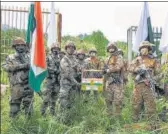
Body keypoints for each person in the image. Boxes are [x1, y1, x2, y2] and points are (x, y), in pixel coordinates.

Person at [128, 41, 161, 123]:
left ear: (149, 49)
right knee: (136, 106)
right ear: (140, 49)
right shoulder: (137, 59)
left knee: (150, 107)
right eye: (142, 48)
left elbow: (159, 74)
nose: (144, 49)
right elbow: (129, 68)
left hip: (149, 86)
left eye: (146, 47)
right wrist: (137, 70)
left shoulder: (154, 60)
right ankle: (134, 124)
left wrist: (152, 80)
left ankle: (151, 124)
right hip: (138, 86)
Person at [2, 37, 33, 118]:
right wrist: (21, 66)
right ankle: (14, 124)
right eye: (18, 45)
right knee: (14, 107)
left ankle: (28, 123)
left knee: (29, 106)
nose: (21, 47)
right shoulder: (10, 57)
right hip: (17, 86)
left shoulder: (29, 57)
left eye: (22, 45)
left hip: (28, 85)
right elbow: (6, 67)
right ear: (15, 46)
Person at [59, 41, 80, 123]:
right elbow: (67, 74)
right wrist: (76, 82)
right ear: (66, 49)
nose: (71, 49)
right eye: (69, 47)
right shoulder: (64, 59)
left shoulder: (75, 59)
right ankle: (62, 121)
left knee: (71, 103)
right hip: (66, 85)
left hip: (73, 86)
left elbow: (78, 71)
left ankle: (69, 120)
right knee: (64, 103)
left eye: (72, 48)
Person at [103, 42, 124, 116]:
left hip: (117, 82)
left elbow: (118, 67)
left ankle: (117, 117)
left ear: (115, 49)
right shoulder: (106, 59)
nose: (111, 50)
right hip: (109, 82)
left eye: (112, 48)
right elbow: (104, 70)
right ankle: (109, 116)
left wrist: (109, 70)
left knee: (117, 101)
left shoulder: (119, 57)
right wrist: (104, 71)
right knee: (108, 101)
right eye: (109, 48)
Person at [41, 43, 60, 116]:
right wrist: (54, 70)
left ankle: (52, 113)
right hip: (49, 81)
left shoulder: (59, 58)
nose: (56, 50)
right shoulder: (48, 57)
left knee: (54, 98)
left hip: (56, 81)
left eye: (57, 49)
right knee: (46, 99)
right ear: (52, 49)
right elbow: (44, 67)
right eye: (54, 49)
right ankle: (43, 113)